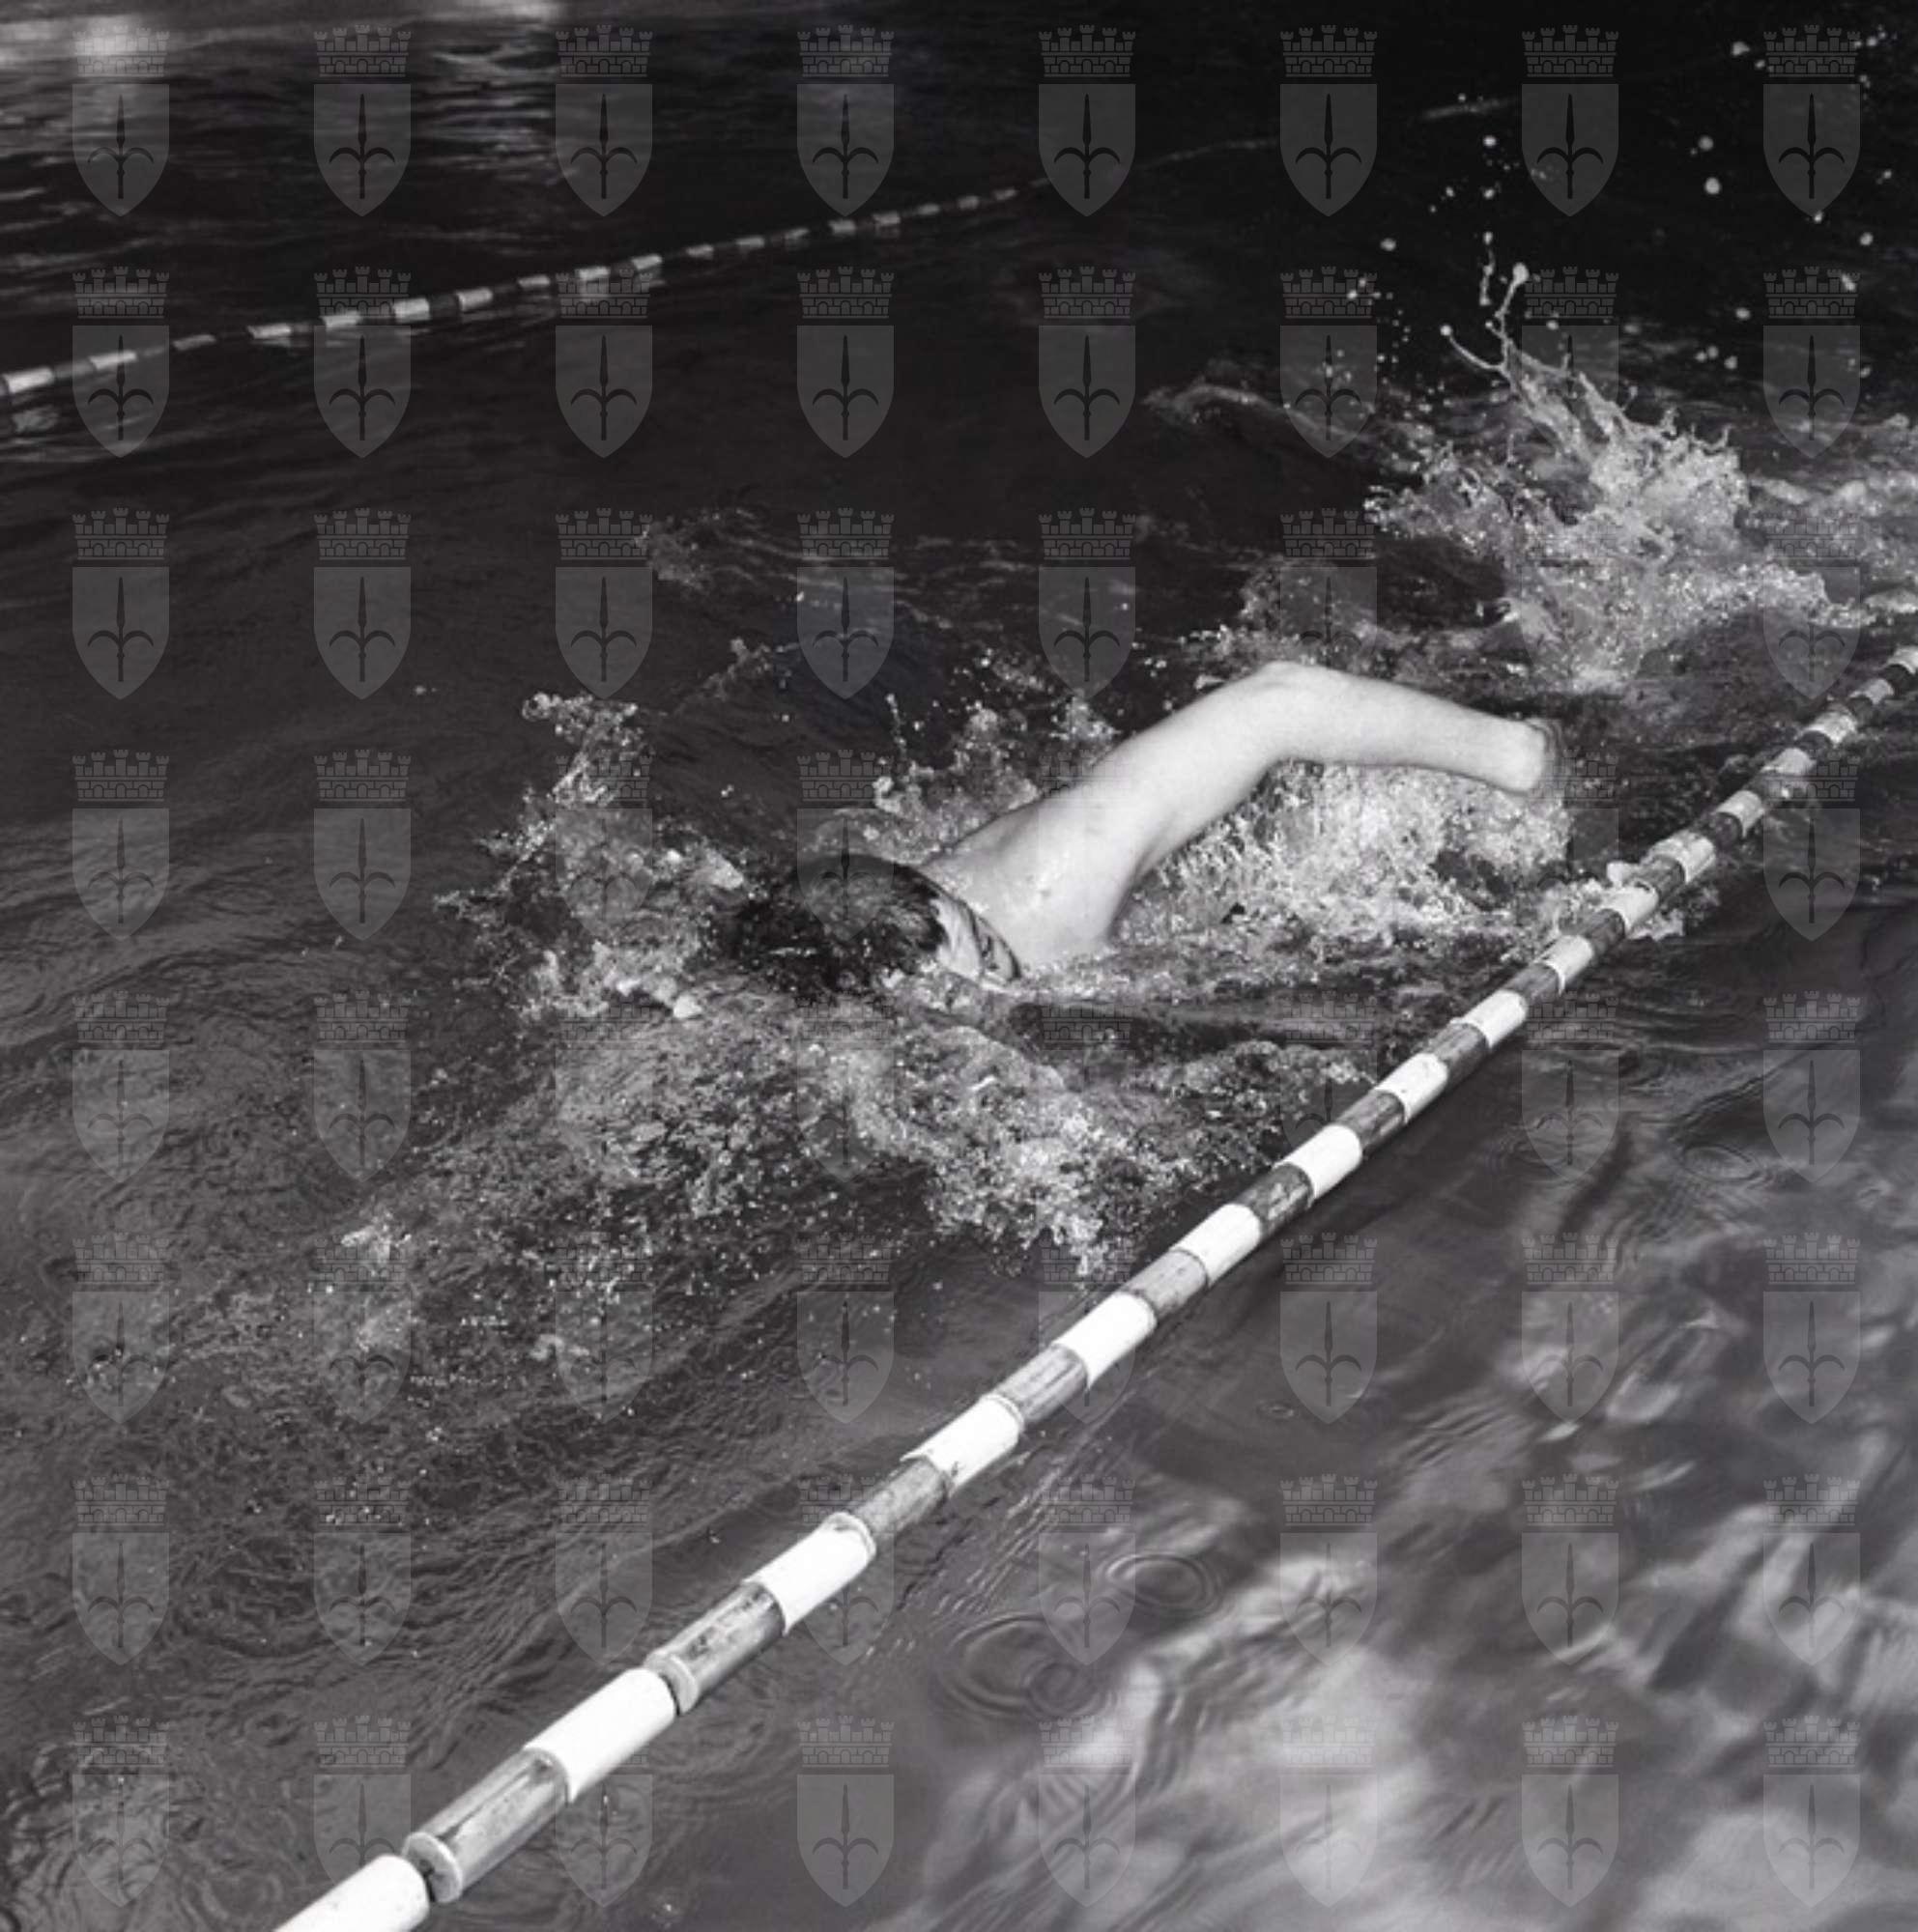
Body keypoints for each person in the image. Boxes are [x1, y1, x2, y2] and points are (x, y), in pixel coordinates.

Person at [730, 659, 1561, 994]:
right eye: (971, 965)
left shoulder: (1060, 878)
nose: (993, 965)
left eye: (980, 944)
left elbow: (1279, 699)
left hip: (1301, 807)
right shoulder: (822, 973)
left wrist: (1516, 760)